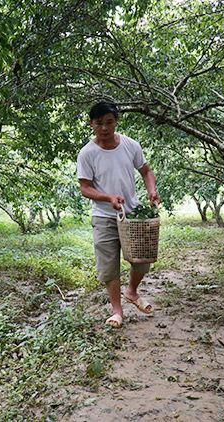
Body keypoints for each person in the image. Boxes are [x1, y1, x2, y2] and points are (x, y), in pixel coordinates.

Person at [76, 102, 160, 327]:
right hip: (104, 216)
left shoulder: (130, 145)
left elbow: (146, 171)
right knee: (108, 264)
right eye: (99, 123)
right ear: (91, 124)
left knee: (141, 259)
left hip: (132, 215)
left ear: (116, 122)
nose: (104, 128)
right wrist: (108, 197)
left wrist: (152, 190)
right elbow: (85, 188)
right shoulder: (87, 153)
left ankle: (132, 292)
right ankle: (117, 310)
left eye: (109, 122)